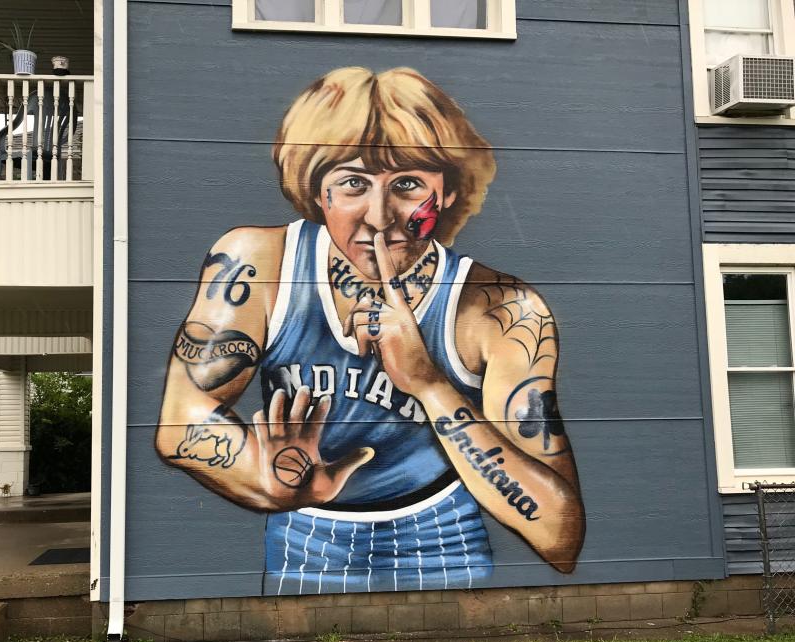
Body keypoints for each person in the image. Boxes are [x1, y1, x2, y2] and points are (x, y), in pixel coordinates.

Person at [156, 66, 585, 595]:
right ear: (317, 192)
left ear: (447, 191)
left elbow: (559, 535)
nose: (379, 218)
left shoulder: (502, 309)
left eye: (407, 185)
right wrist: (267, 481)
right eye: (353, 184)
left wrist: (429, 382)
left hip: (442, 531)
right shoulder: (259, 262)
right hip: (308, 529)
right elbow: (181, 422)